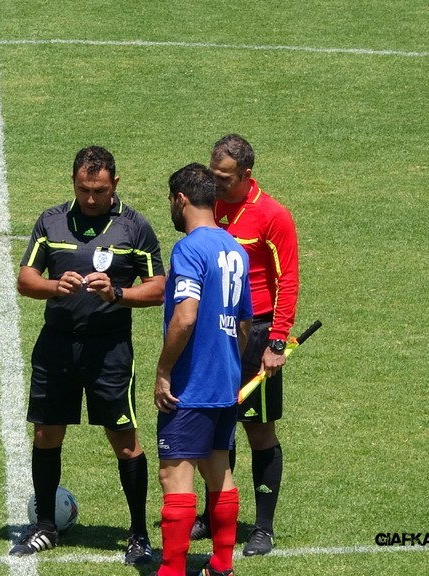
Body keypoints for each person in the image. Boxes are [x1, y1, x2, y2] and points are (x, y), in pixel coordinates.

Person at [10, 146, 165, 565]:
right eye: (83, 189)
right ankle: (45, 525)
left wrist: (117, 292)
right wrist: (53, 286)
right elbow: (25, 279)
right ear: (73, 182)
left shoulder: (134, 227)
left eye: (99, 190)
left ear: (115, 183)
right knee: (46, 434)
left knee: (124, 441)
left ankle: (138, 534)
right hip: (56, 346)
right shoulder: (51, 221)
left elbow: (159, 288)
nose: (91, 198)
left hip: (109, 349)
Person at [191, 134, 300, 557]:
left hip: (257, 334)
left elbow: (287, 280)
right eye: (213, 174)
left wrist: (277, 341)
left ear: (247, 174)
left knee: (258, 429)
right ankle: (214, 515)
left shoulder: (273, 216)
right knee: (217, 424)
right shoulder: (210, 207)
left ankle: (263, 528)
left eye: (224, 177)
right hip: (216, 331)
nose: (215, 183)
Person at [155, 163, 253, 576]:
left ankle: (172, 570)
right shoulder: (236, 249)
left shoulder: (189, 249)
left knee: (174, 477)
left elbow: (186, 317)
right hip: (225, 383)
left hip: (190, 386)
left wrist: (164, 370)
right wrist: (229, 365)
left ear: (180, 199)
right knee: (219, 471)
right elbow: (245, 322)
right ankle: (221, 565)